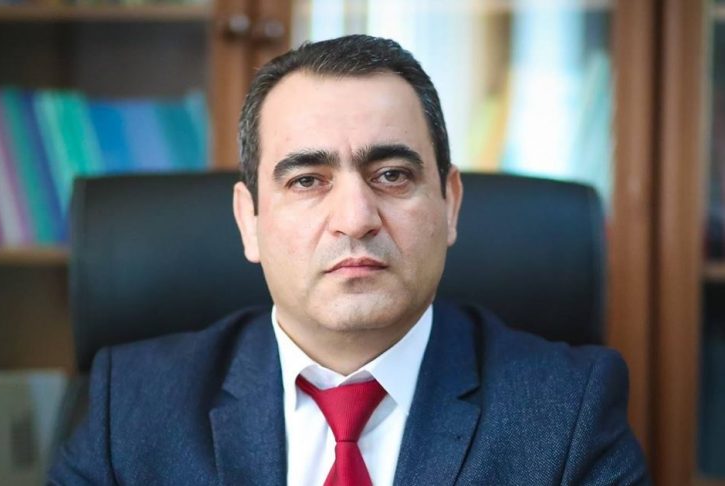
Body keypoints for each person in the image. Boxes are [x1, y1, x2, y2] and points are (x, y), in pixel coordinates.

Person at [49, 35, 650, 485]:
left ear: (450, 204)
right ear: (248, 221)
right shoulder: (131, 409)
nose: (356, 218)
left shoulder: (568, 412)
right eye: (307, 180)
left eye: (391, 175)